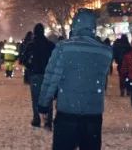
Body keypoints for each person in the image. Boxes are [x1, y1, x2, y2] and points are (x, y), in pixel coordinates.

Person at [37, 9, 113, 150]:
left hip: (67, 113)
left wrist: (43, 104)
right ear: (93, 26)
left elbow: (51, 78)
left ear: (75, 26)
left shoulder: (63, 48)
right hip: (93, 114)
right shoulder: (105, 52)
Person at [21, 23, 55, 129]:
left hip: (35, 74)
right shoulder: (50, 45)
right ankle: (48, 119)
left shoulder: (31, 45)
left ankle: (37, 118)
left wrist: (30, 66)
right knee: (48, 96)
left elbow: (23, 60)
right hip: (47, 74)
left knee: (35, 98)